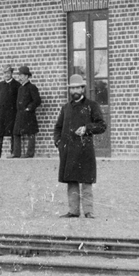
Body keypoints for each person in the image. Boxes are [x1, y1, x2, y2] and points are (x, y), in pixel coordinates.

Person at [54, 75, 106, 218]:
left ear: (83, 89)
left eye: (78, 88)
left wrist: (86, 128)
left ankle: (89, 211)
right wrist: (58, 142)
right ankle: (73, 211)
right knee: (71, 180)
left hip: (85, 149)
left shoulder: (91, 106)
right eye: (72, 88)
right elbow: (58, 127)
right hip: (69, 150)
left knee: (86, 181)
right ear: (70, 90)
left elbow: (102, 126)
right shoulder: (66, 108)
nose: (75, 91)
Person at [0, 66, 18, 158]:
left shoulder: (16, 85)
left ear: (11, 73)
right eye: (5, 73)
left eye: (8, 73)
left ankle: (13, 152)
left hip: (12, 113)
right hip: (2, 113)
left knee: (13, 132)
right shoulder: (0, 85)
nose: (6, 75)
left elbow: (19, 99)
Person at [12, 65, 41, 158]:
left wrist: (29, 108)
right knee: (16, 132)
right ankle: (16, 153)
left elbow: (37, 100)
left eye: (21, 75)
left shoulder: (32, 87)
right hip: (20, 114)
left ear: (26, 76)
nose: (20, 77)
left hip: (28, 114)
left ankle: (29, 153)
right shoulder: (20, 88)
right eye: (19, 75)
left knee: (30, 133)